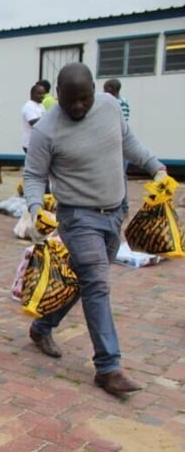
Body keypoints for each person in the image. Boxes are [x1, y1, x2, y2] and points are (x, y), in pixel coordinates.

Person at [23, 62, 167, 398]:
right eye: (70, 100)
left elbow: (127, 140)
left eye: (84, 99)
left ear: (94, 91)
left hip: (117, 211)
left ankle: (41, 327)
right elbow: (32, 175)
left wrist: (155, 165)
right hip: (78, 218)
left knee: (83, 281)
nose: (77, 106)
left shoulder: (110, 107)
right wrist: (35, 210)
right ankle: (108, 367)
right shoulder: (47, 129)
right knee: (98, 283)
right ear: (57, 94)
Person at [103, 78, 131, 215]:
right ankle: (123, 206)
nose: (104, 91)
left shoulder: (113, 103)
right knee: (121, 176)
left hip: (115, 145)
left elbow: (116, 126)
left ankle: (121, 206)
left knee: (118, 176)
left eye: (106, 88)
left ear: (113, 89)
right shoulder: (124, 102)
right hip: (121, 144)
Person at [21, 83, 46, 153]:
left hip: (39, 143)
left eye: (43, 94)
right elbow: (34, 123)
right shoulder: (29, 106)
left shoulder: (41, 106)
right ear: (32, 94)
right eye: (39, 94)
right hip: (30, 143)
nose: (42, 96)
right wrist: (48, 118)